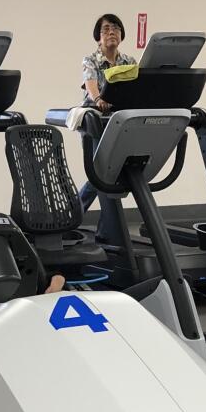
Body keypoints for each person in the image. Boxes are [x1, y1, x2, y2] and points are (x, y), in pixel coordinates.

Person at [77, 12, 137, 241]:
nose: (111, 32)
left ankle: (103, 232)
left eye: (115, 28)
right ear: (98, 37)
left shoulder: (129, 62)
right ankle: (72, 216)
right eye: (105, 29)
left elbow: (135, 88)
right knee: (100, 174)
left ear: (121, 35)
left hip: (118, 120)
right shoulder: (90, 60)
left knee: (107, 175)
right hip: (93, 120)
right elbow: (91, 86)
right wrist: (98, 100)